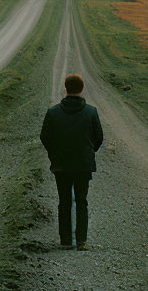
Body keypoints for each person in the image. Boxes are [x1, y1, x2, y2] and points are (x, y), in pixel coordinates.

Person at [40, 73, 104, 250]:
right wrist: (89, 152)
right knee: (82, 201)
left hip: (61, 163)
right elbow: (99, 137)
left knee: (64, 201)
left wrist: (54, 154)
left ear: (66, 88)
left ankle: (66, 241)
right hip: (83, 163)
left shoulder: (53, 112)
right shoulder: (91, 112)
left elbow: (45, 137)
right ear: (82, 89)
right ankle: (81, 241)